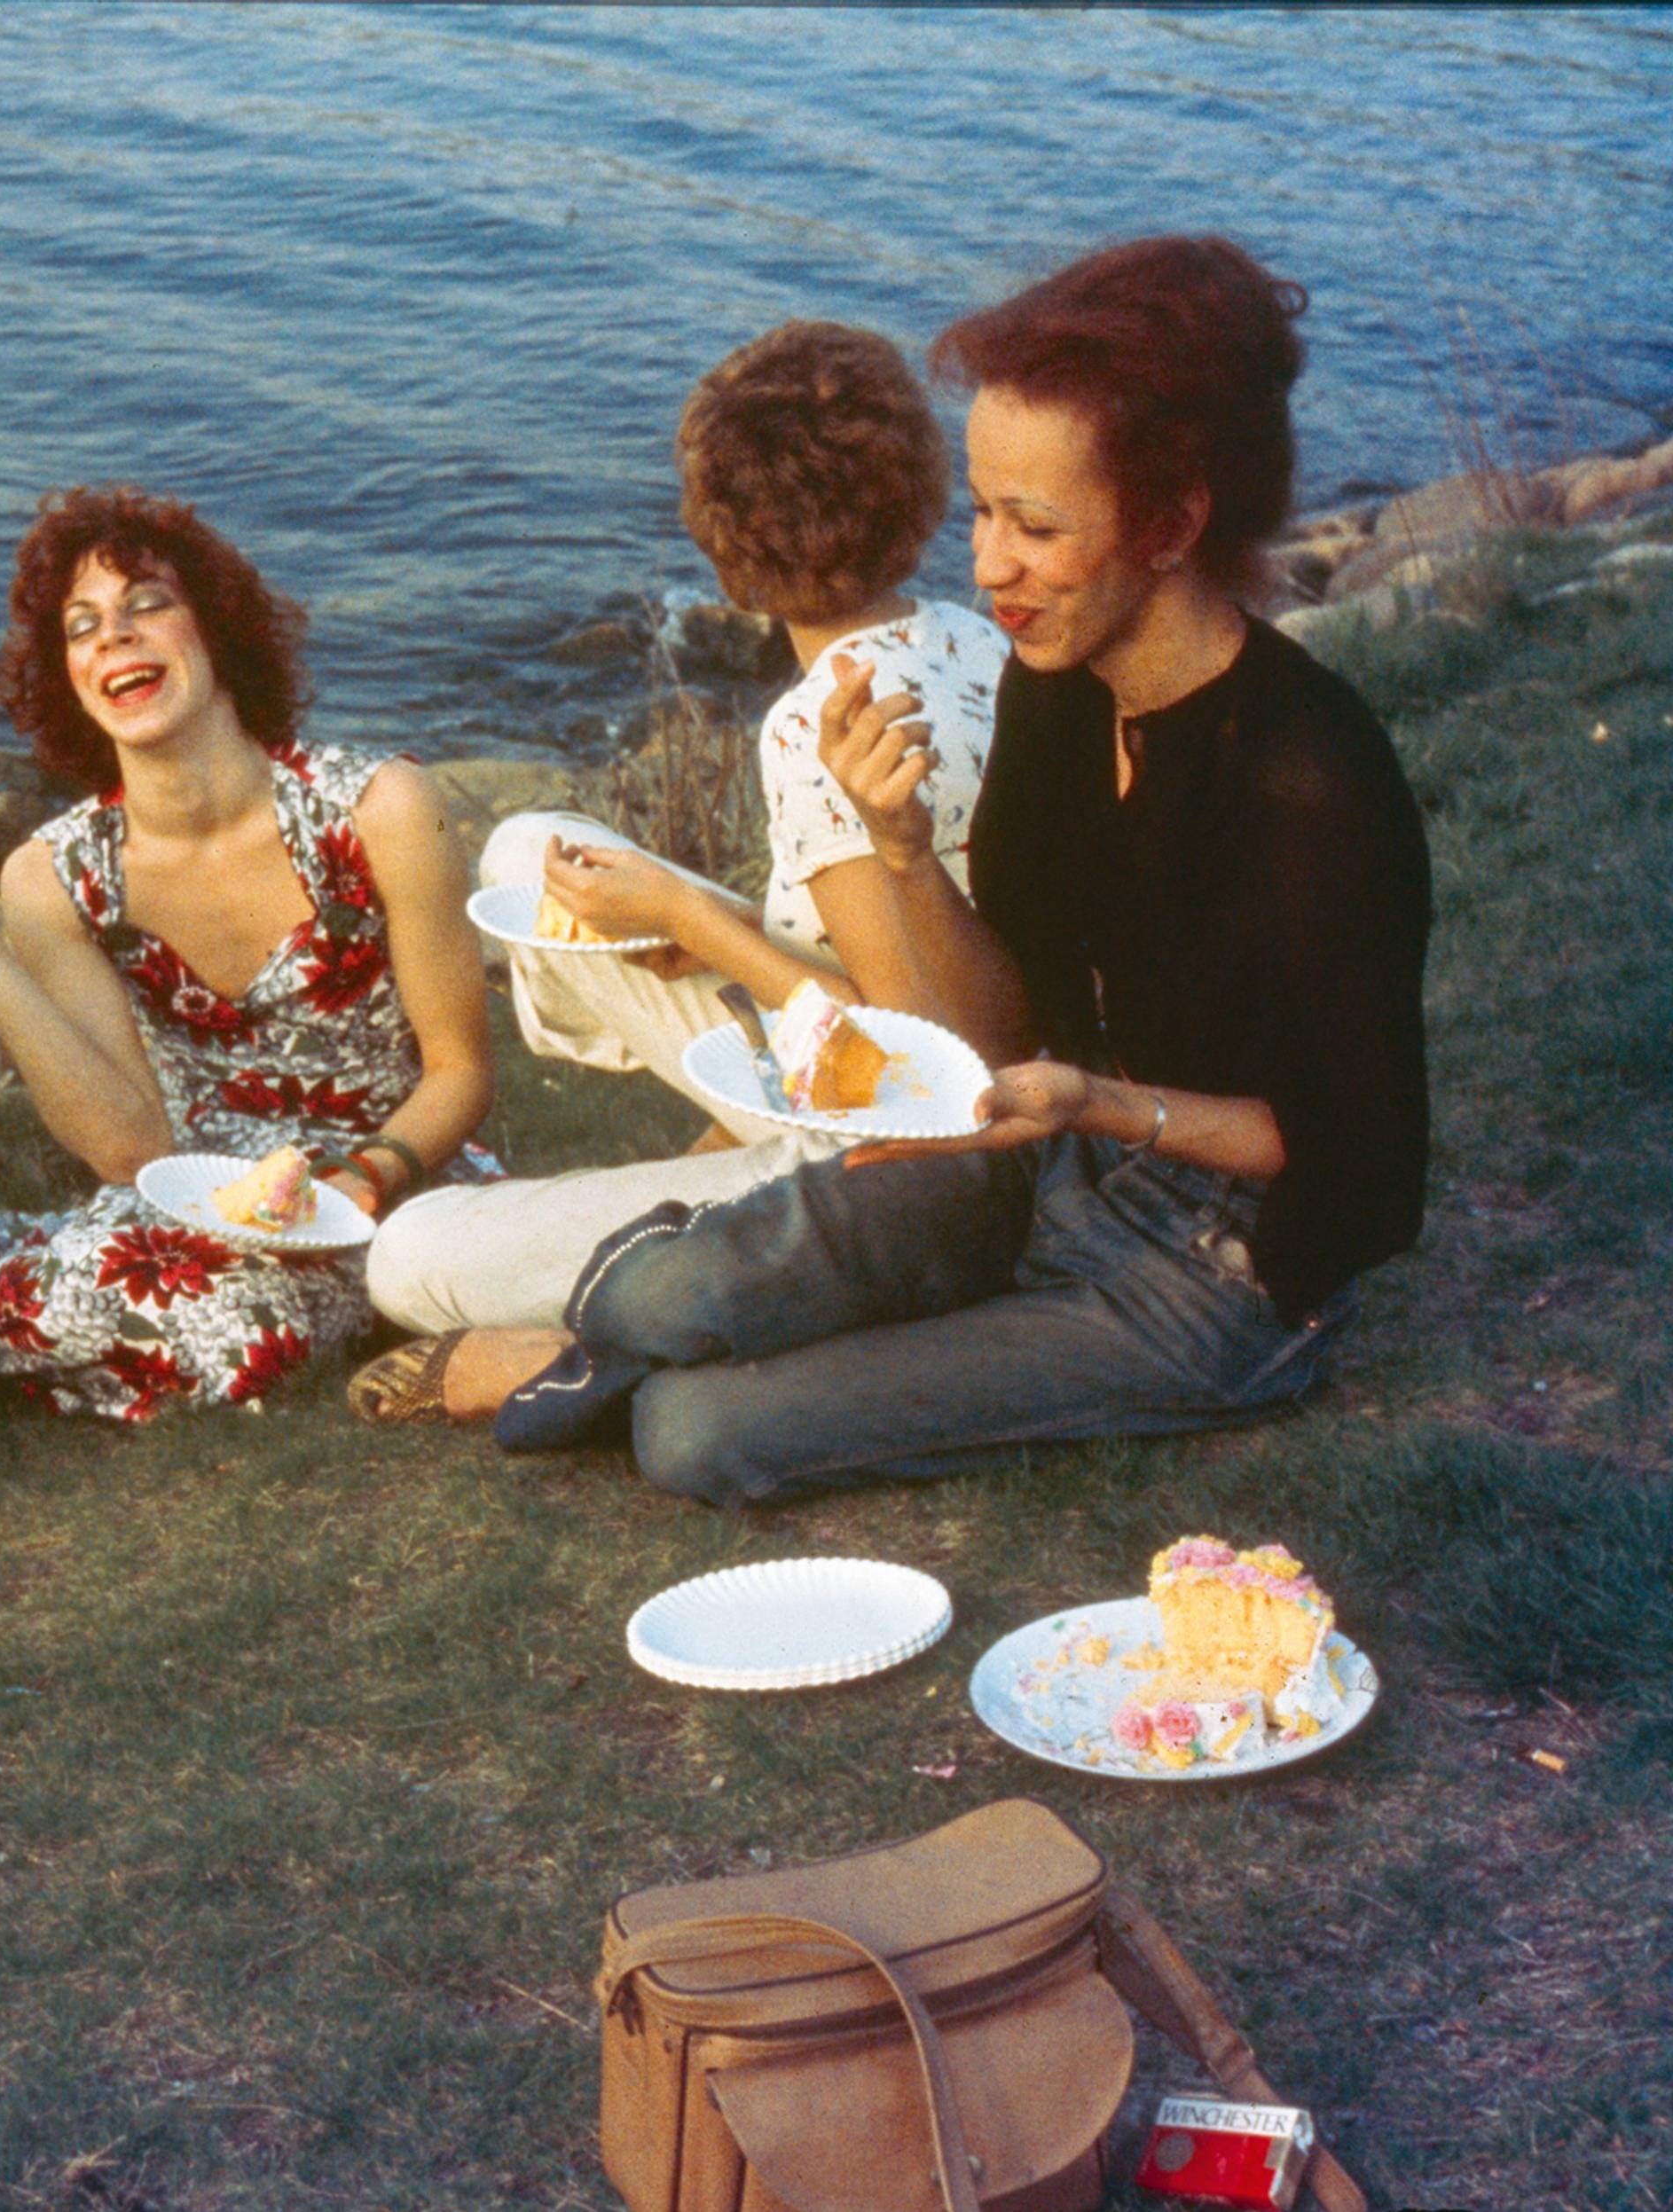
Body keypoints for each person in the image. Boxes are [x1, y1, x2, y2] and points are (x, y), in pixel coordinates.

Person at [467, 236, 1429, 1505]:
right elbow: (990, 1030)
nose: (986, 569)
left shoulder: (1311, 775)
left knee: (697, 1434)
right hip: (1055, 1161)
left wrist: (1097, 1103)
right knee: (665, 1289)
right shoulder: (1053, 690)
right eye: (980, 511)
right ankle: (651, 1321)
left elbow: (1364, 1178)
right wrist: (907, 853)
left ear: (1175, 522)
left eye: (1036, 526)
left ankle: (662, 1357)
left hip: (1228, 1272)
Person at [357, 321, 1011, 1420]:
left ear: (729, 550)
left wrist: (688, 918)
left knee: (408, 1256)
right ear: (922, 488)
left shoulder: (818, 725)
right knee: (533, 853)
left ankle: (617, 1298)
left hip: (896, 1146)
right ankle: (696, 1166)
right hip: (916, 1053)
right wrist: (697, 921)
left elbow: (917, 1067)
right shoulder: (970, 638)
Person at [0, 487, 497, 1418]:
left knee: (225, 1330)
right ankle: (49, 1314)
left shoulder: (380, 808)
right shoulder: (53, 875)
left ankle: (40, 1337)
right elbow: (128, 1147)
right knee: (112, 1282)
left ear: (217, 632)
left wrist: (364, 1178)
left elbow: (463, 1070)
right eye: (83, 626)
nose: (116, 638)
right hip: (192, 1209)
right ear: (67, 676)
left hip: (397, 1177)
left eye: (149, 605)